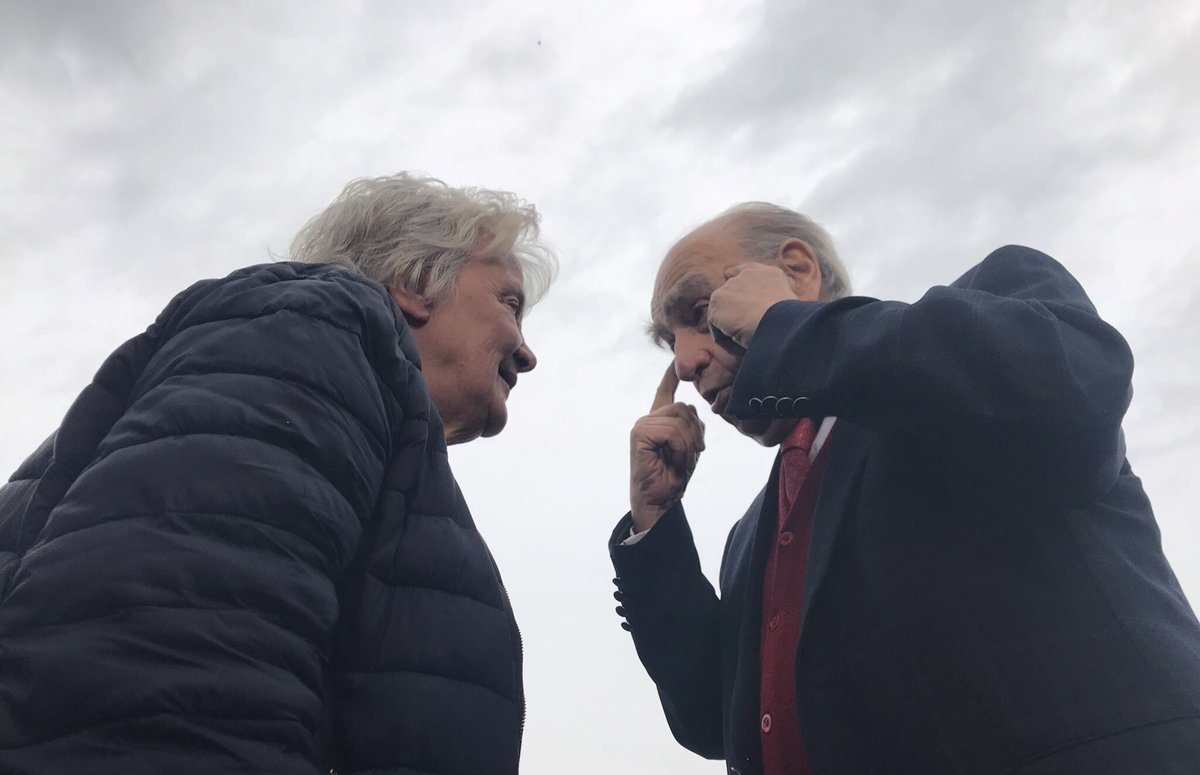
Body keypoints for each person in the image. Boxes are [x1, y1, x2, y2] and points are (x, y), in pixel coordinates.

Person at [609, 202, 1200, 774]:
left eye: (700, 309)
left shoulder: (993, 298)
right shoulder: (750, 538)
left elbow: (1076, 396)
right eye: (669, 341)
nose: (685, 362)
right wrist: (655, 523)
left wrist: (787, 329)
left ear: (795, 270)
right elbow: (714, 721)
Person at [0, 172, 556, 774]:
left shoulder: (306, 372)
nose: (526, 351)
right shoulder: (312, 328)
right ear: (417, 283)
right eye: (510, 303)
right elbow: (162, 664)